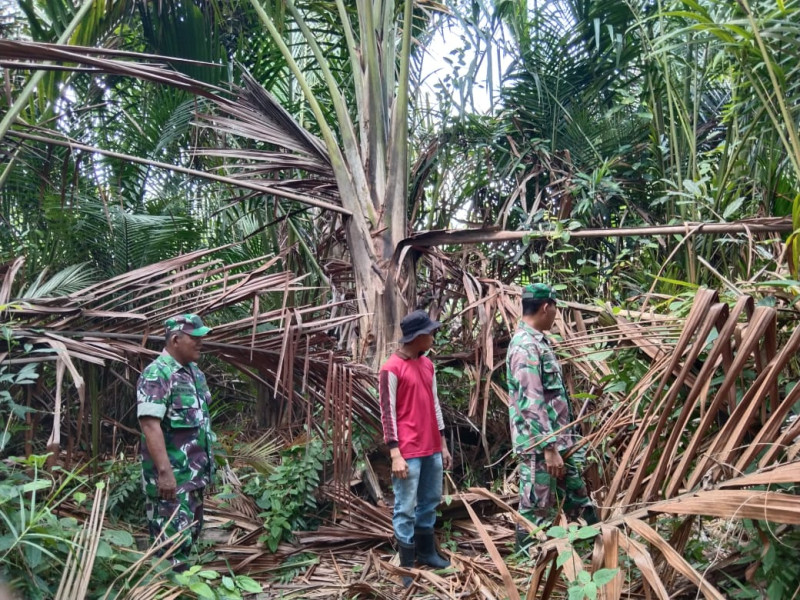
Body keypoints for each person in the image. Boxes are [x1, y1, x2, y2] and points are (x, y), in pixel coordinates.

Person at [506, 284, 596, 552]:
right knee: (535, 505)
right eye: (555, 308)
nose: (556, 315)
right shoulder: (524, 346)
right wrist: (548, 447)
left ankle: (595, 544)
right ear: (546, 307)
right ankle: (525, 562)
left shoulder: (538, 341)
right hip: (541, 446)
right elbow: (530, 402)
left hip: (558, 441)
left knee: (576, 493)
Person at [379, 309, 453, 586]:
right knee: (405, 508)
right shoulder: (390, 368)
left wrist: (443, 444)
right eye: (431, 332)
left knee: (430, 503)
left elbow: (435, 405)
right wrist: (395, 453)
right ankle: (407, 567)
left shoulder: (427, 365)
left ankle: (427, 554)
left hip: (432, 447)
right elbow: (387, 414)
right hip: (408, 451)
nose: (434, 336)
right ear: (418, 336)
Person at [137, 314, 215, 571]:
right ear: (175, 339)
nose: (201, 342)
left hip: (193, 477)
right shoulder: (157, 374)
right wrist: (165, 473)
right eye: (195, 337)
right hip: (171, 480)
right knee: (169, 548)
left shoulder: (195, 374)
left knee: (189, 539)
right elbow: (150, 424)